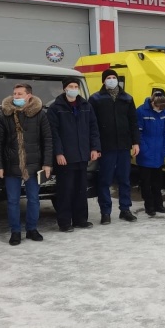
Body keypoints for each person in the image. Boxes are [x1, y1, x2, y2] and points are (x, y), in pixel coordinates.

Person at [0, 83, 52, 245]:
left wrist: (47, 163)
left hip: (34, 165)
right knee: (12, 200)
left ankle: (32, 229)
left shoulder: (40, 114)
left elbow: (47, 140)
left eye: (19, 94)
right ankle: (15, 232)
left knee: (33, 199)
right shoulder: (5, 115)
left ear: (29, 96)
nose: (16, 97)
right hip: (12, 165)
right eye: (14, 94)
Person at [47, 77, 100, 232]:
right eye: (71, 86)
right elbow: (53, 133)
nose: (74, 89)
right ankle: (64, 222)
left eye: (76, 86)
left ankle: (80, 219)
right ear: (64, 88)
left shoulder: (86, 105)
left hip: (83, 155)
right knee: (65, 190)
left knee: (80, 189)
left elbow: (93, 128)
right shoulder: (55, 108)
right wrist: (59, 153)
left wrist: (94, 148)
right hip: (65, 157)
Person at [89, 69, 141, 224]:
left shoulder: (127, 98)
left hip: (124, 147)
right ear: (103, 81)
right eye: (108, 78)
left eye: (114, 77)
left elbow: (133, 122)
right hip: (106, 147)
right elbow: (92, 125)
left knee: (124, 180)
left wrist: (135, 142)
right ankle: (105, 212)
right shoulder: (96, 99)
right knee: (105, 181)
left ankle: (125, 209)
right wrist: (95, 147)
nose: (111, 80)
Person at [136, 90, 165, 216]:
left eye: (162, 108)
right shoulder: (141, 111)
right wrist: (144, 149)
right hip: (146, 152)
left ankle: (159, 204)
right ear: (152, 103)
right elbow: (138, 133)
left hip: (159, 151)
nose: (160, 110)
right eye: (158, 107)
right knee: (146, 182)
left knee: (157, 182)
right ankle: (149, 206)